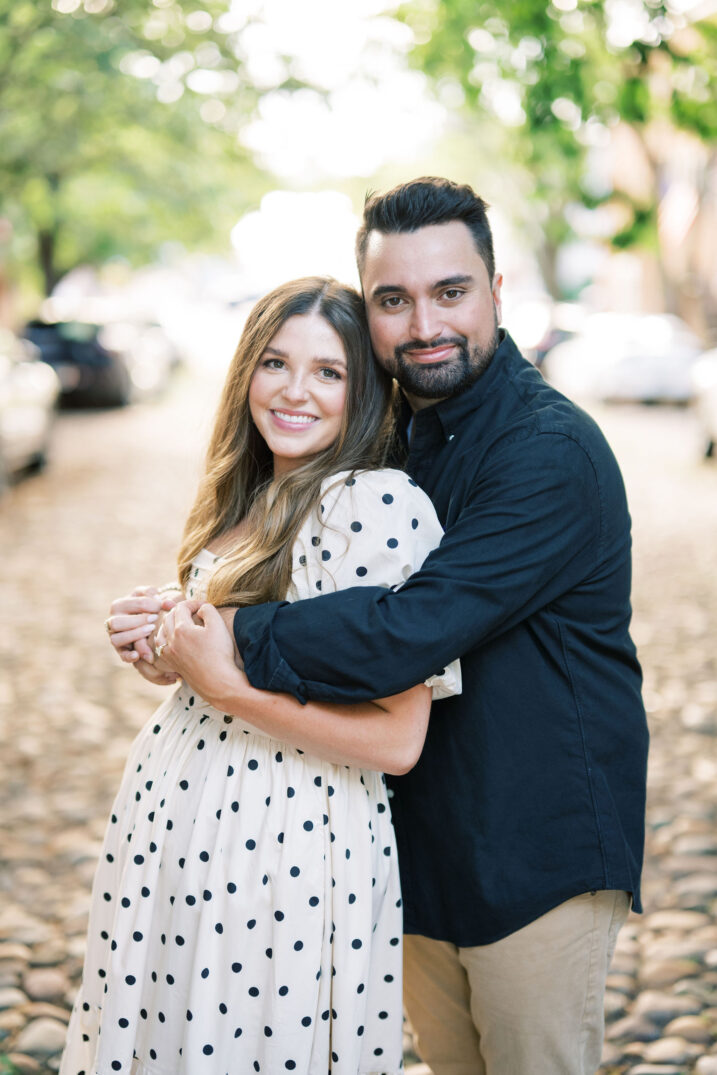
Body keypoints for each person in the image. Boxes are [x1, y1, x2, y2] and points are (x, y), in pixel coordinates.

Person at [146, 178, 649, 1075]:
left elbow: (408, 631)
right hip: (415, 847)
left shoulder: (547, 453)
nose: (423, 323)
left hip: (535, 855)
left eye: (449, 292)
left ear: (498, 289)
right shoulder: (390, 443)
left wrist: (225, 640)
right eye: (393, 299)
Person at [60, 276, 460, 1075]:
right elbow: (226, 666)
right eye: (275, 362)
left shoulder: (369, 505)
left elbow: (398, 739)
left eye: (328, 372)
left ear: (366, 393)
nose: (294, 391)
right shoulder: (248, 495)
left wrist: (225, 688)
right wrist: (162, 648)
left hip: (283, 854)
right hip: (181, 836)